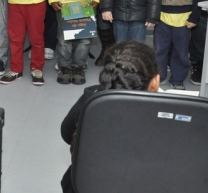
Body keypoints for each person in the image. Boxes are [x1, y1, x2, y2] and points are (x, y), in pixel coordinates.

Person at [60, 40, 160, 193]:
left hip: (81, 184)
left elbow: (66, 132)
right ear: (155, 81)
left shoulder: (91, 98)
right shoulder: (164, 115)